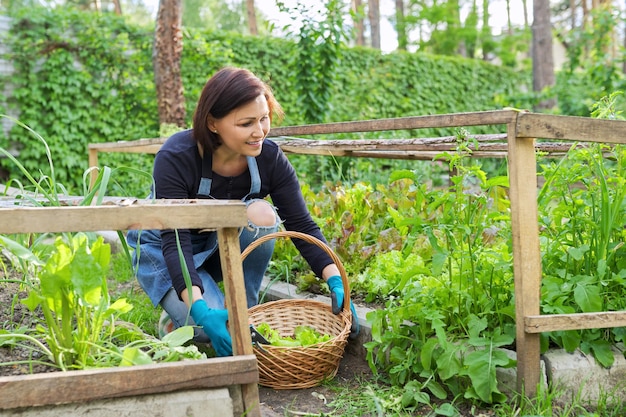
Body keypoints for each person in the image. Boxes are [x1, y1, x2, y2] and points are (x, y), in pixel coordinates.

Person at [126, 67, 358, 357]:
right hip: (164, 248)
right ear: (213, 123)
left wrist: (335, 279)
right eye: (246, 123)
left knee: (261, 214)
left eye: (264, 118)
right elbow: (175, 241)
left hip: (216, 246)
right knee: (202, 328)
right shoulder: (177, 156)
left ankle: (244, 313)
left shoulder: (270, 159)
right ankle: (182, 315)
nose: (259, 131)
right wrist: (200, 310)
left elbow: (302, 225)